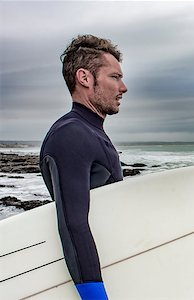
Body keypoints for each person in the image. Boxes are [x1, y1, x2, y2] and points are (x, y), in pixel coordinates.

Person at [40, 34, 128, 300]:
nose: (123, 87)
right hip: (95, 282)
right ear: (85, 78)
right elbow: (73, 224)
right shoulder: (71, 135)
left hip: (116, 270)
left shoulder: (90, 132)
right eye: (114, 77)